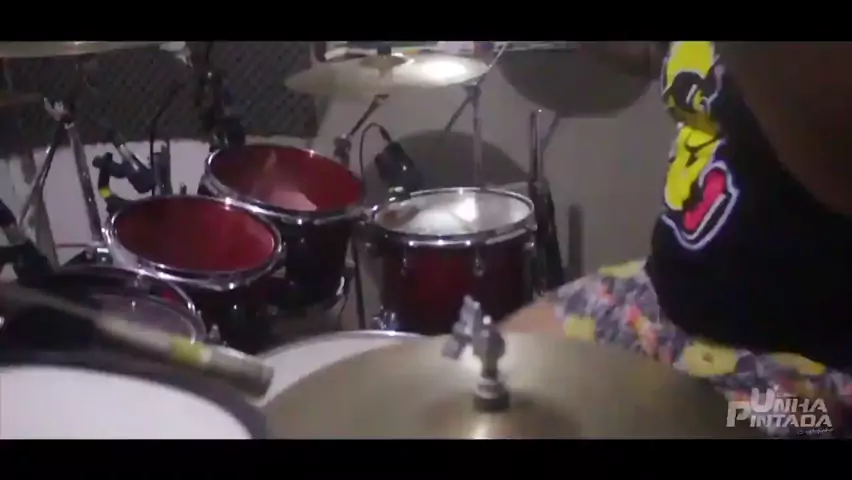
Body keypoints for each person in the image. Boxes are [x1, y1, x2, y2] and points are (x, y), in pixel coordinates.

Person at [502, 41, 852, 438]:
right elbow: (657, 53)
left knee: (684, 422)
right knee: (493, 375)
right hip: (665, 302)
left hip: (809, 359)